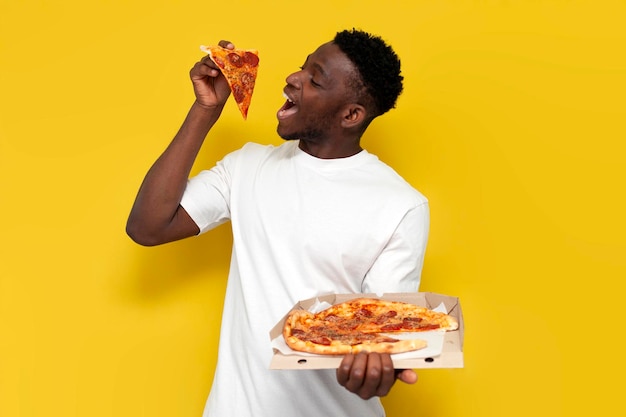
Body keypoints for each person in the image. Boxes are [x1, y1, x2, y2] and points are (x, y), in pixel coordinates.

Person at [126, 29, 429, 417]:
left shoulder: (401, 205)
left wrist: (376, 364)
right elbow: (147, 227)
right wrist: (206, 109)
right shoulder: (248, 165)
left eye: (314, 78)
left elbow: (380, 340)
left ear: (351, 115)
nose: (292, 78)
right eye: (302, 66)